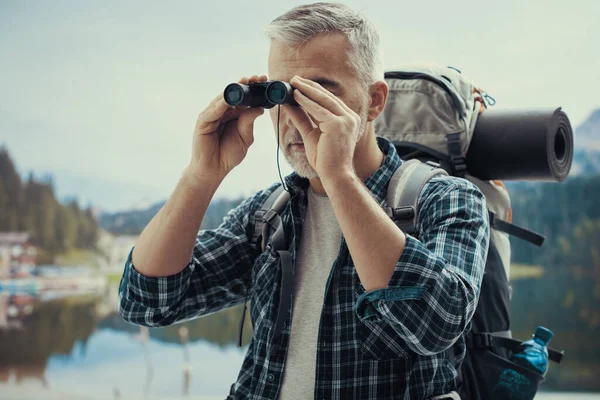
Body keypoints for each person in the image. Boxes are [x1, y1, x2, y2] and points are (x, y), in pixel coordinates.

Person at [118, 3, 490, 399]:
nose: (295, 116)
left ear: (375, 101)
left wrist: (339, 178)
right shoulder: (269, 215)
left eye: (318, 91)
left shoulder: (445, 200)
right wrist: (201, 174)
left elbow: (435, 323)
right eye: (281, 94)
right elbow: (147, 303)